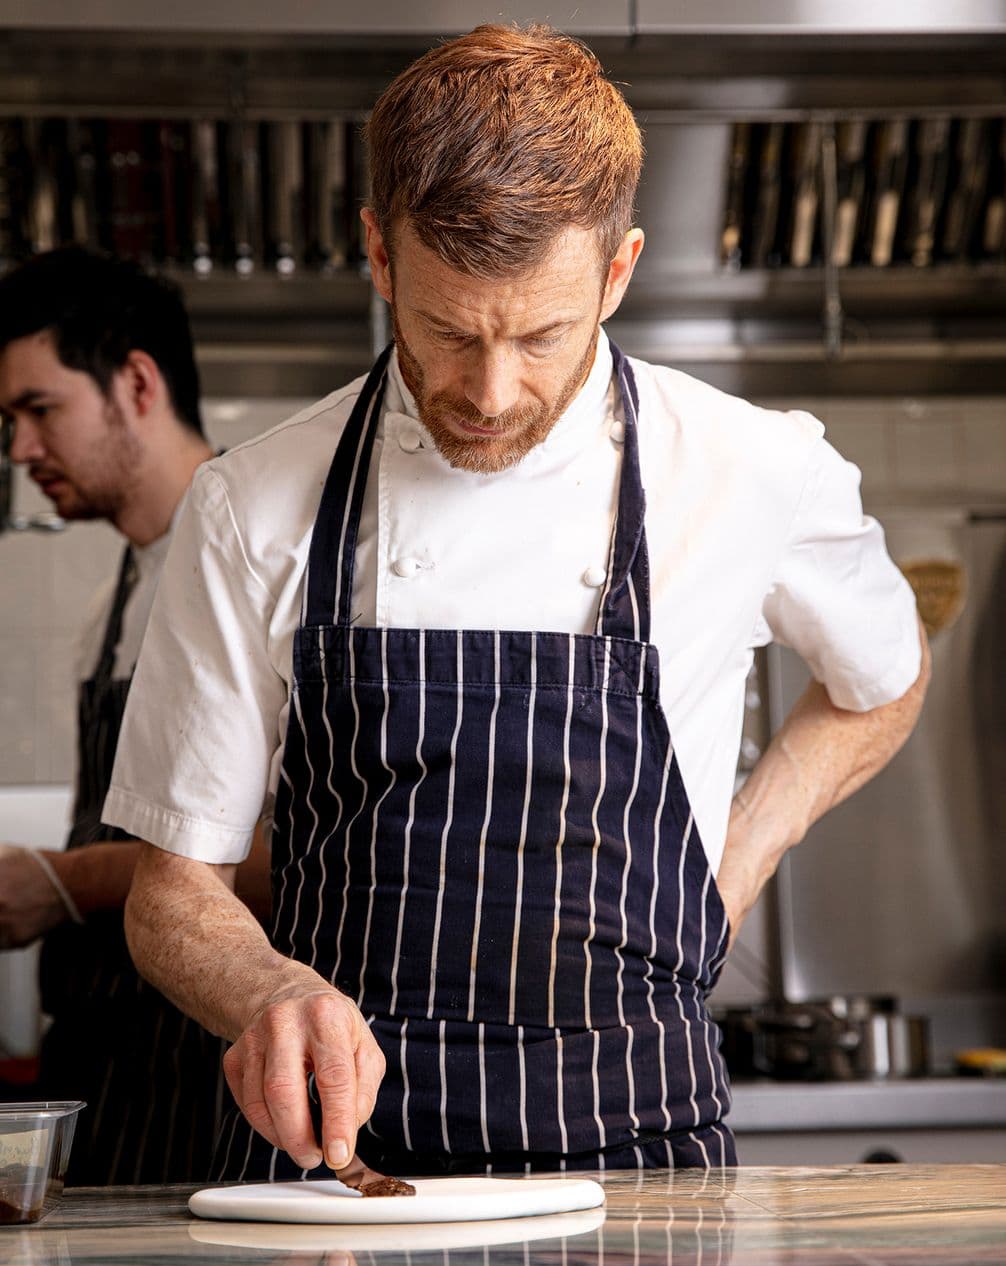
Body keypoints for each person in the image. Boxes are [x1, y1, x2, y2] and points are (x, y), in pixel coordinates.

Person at [110, 26, 929, 1176]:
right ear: (380, 260)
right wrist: (263, 988)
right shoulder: (251, 503)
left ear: (619, 271)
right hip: (340, 1167)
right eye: (448, 332)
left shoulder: (751, 470)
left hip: (638, 1159)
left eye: (541, 335)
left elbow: (880, 684)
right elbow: (172, 890)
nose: (490, 393)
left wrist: (731, 866)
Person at [0, 246, 270, 1184]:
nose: (21, 450)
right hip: (103, 1082)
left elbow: (302, 857)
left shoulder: (262, 567)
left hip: (206, 1086)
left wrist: (65, 882)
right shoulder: (109, 606)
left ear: (137, 384)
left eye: (41, 410)